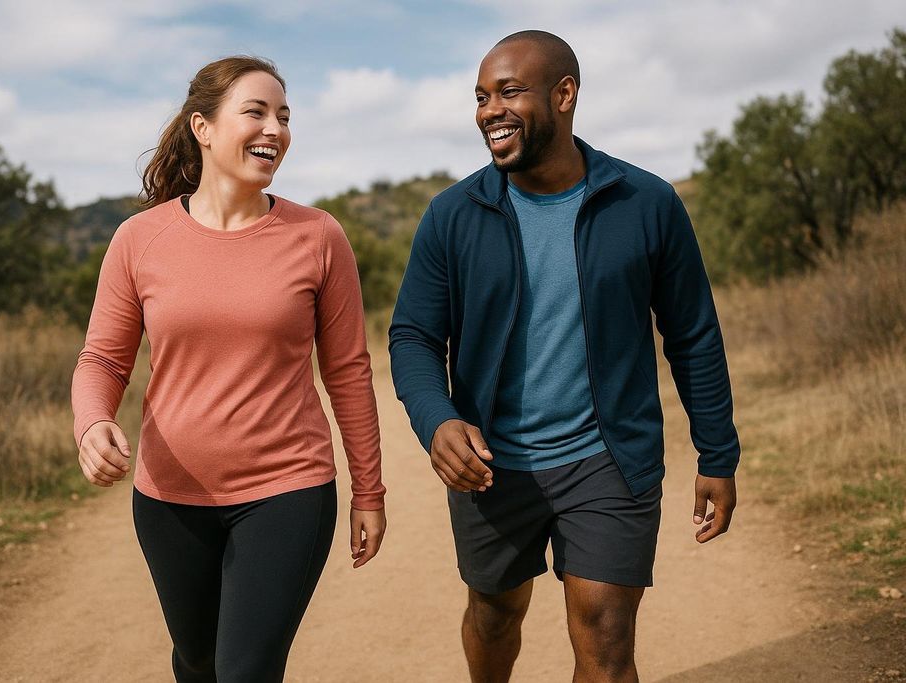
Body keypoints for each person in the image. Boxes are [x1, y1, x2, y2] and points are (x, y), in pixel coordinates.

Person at [389, 30, 739, 682]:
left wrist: (718, 453)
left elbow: (693, 332)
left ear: (565, 94)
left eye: (509, 91)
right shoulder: (453, 215)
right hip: (492, 463)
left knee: (606, 637)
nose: (488, 110)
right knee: (495, 614)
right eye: (481, 96)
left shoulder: (646, 204)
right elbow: (412, 335)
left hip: (608, 456)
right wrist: (437, 420)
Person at [70, 56, 386, 683]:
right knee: (198, 661)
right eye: (257, 111)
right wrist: (91, 423)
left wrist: (368, 492)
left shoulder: (318, 236)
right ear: (203, 128)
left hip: (288, 487)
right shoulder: (140, 240)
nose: (276, 128)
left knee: (245, 671)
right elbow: (103, 358)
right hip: (167, 498)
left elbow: (348, 372)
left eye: (285, 116)